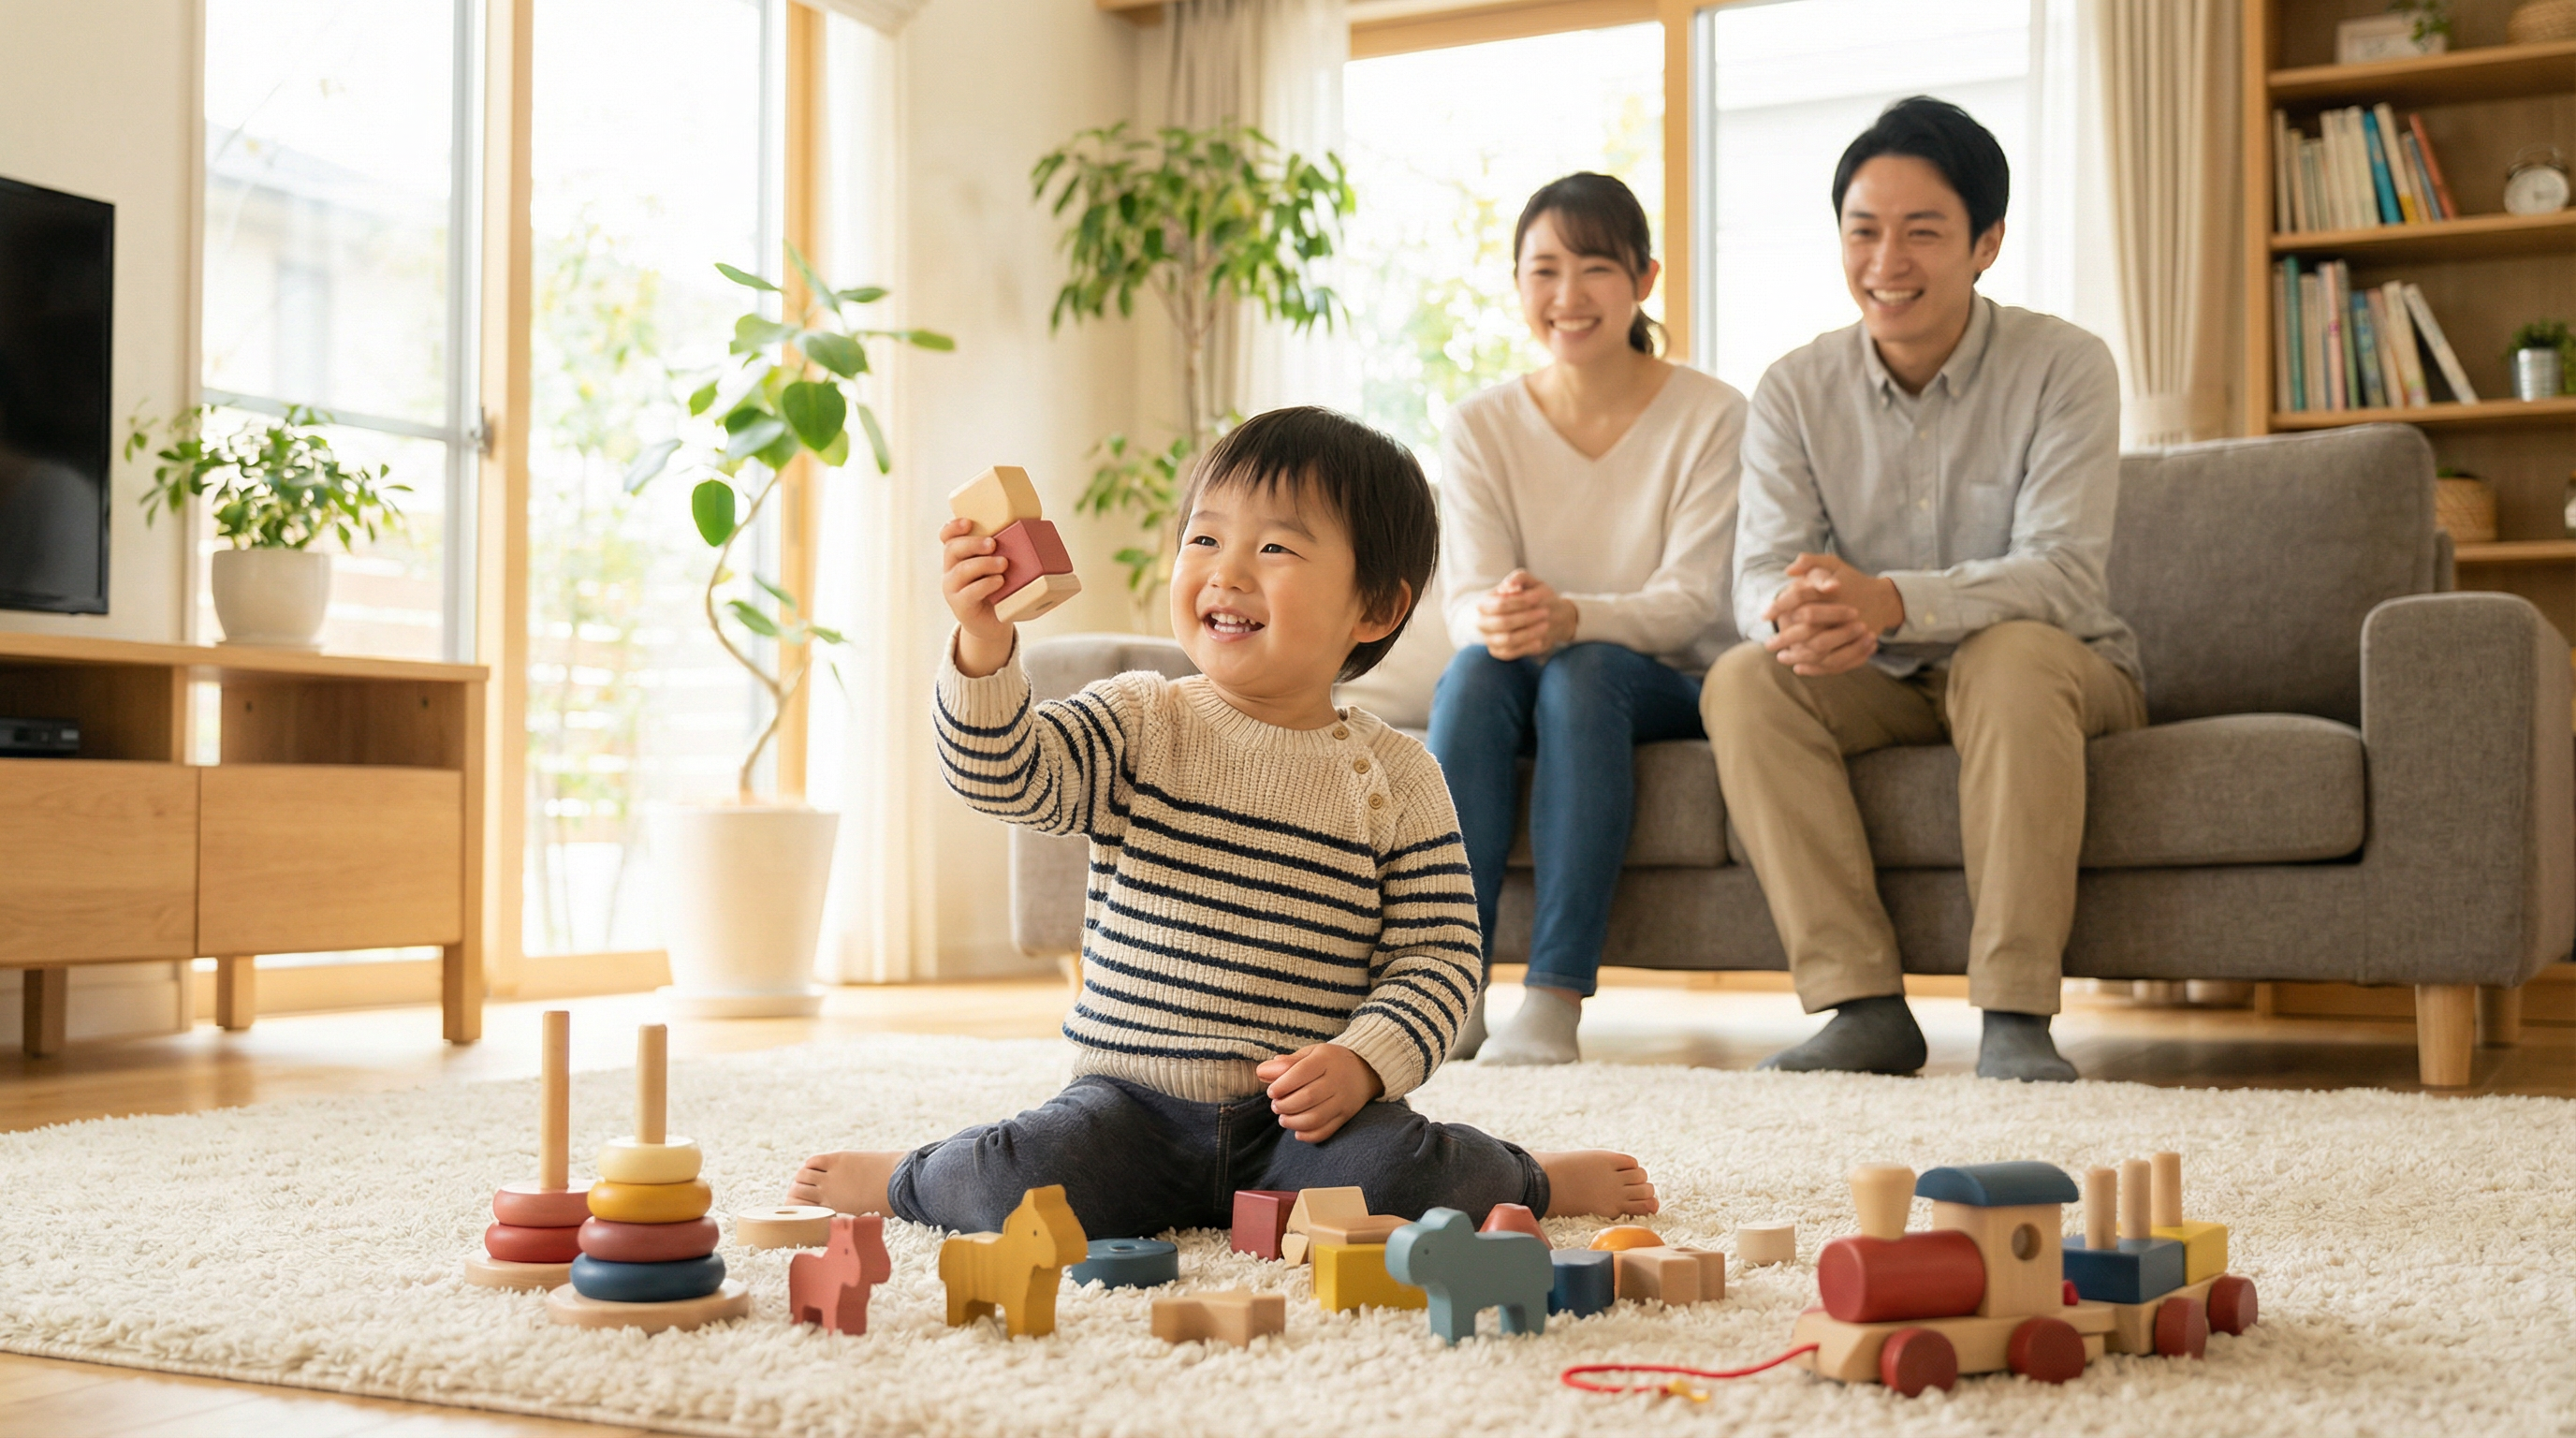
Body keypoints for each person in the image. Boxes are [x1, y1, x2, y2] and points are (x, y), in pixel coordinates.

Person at [788, 407, 1660, 1237]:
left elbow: (1439, 959)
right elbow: (1005, 776)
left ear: (1377, 608)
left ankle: (1535, 1177)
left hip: (1302, 1128)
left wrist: (1363, 1063)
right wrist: (982, 645)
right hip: (1125, 1107)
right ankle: (909, 1175)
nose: (1226, 570)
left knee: (1410, 1174)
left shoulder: (1400, 774)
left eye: (1276, 546)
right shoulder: (1140, 719)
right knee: (1014, 1180)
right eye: (1204, 537)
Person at [1702, 96, 2143, 1083]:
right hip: (1879, 681)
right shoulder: (1792, 388)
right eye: (1862, 231)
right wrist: (1801, 615)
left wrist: (1890, 599)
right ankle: (1859, 1006)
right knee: (1743, 677)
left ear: (1985, 243)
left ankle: (2016, 1014)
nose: (1884, 261)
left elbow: (2064, 575)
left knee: (2012, 653)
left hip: (2059, 669)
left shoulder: (2064, 366)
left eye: (1922, 231)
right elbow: (1758, 573)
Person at [1428, 172, 1744, 1067]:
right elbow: (1463, 605)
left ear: (1644, 279)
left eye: (1596, 267)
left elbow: (1693, 604)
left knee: (1586, 668)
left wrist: (1570, 618)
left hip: (1667, 677)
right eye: (1544, 270)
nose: (1567, 296)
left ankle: (1554, 998)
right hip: (1525, 664)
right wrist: (1504, 620)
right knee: (1477, 672)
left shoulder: (1711, 414)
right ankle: (1452, 989)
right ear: (1519, 285)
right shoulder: (1480, 423)